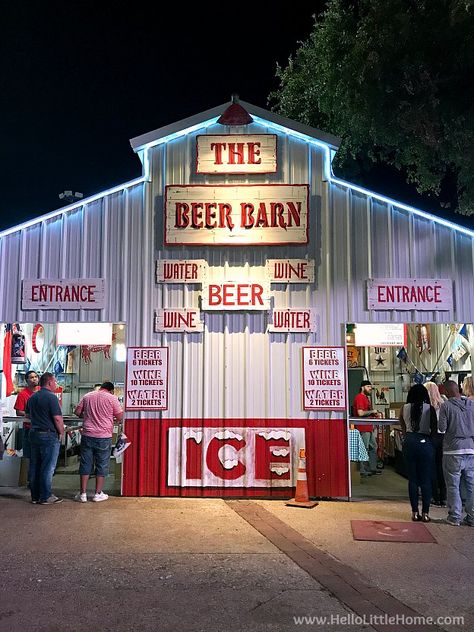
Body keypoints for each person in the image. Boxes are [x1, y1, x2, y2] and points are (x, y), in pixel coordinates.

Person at [74, 381, 123, 502]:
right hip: (104, 436)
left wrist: (87, 417)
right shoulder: (112, 398)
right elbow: (120, 417)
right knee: (102, 464)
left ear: (101, 388)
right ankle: (97, 494)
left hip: (88, 435)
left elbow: (77, 412)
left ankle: (83, 494)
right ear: (111, 390)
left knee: (85, 463)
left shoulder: (87, 396)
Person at [438, 380, 474, 527]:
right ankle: (472, 517)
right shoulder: (471, 405)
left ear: (446, 392)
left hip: (452, 450)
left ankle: (455, 516)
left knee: (453, 485)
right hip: (471, 449)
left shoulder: (446, 406)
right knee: (471, 485)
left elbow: (442, 428)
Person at [399, 384, 437, 522]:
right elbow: (434, 429)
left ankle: (415, 512)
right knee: (426, 480)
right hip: (425, 442)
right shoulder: (430, 409)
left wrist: (408, 438)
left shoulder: (404, 408)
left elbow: (402, 427)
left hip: (409, 442)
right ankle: (425, 513)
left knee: (413, 480)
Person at [25, 372, 64, 505]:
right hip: (48, 435)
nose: (56, 384)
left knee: (35, 465)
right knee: (48, 467)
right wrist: (61, 432)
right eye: (55, 382)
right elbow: (57, 418)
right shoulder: (52, 398)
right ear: (49, 382)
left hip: (34, 433)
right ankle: (46, 496)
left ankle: (35, 496)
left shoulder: (32, 397)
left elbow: (27, 415)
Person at [352, 380, 383, 477]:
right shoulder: (360, 397)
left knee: (373, 447)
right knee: (364, 448)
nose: (370, 389)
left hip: (368, 427)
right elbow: (360, 413)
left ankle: (372, 468)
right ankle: (363, 470)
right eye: (368, 386)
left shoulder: (366, 398)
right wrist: (372, 411)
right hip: (363, 427)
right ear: (362, 387)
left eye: (370, 387)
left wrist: (373, 413)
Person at [14, 370, 40, 486]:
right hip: (29, 429)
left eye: (35, 377)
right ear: (27, 380)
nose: (34, 379)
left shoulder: (42, 392)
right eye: (31, 377)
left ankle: (39, 481)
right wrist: (29, 414)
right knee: (29, 456)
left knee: (40, 457)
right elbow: (19, 411)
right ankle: (31, 481)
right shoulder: (23, 394)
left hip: (42, 429)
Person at [424, 381, 446, 507]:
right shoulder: (444, 404)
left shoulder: (426, 407)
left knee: (431, 467)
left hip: (430, 437)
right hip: (443, 438)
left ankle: (434, 496)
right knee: (441, 467)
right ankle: (443, 495)